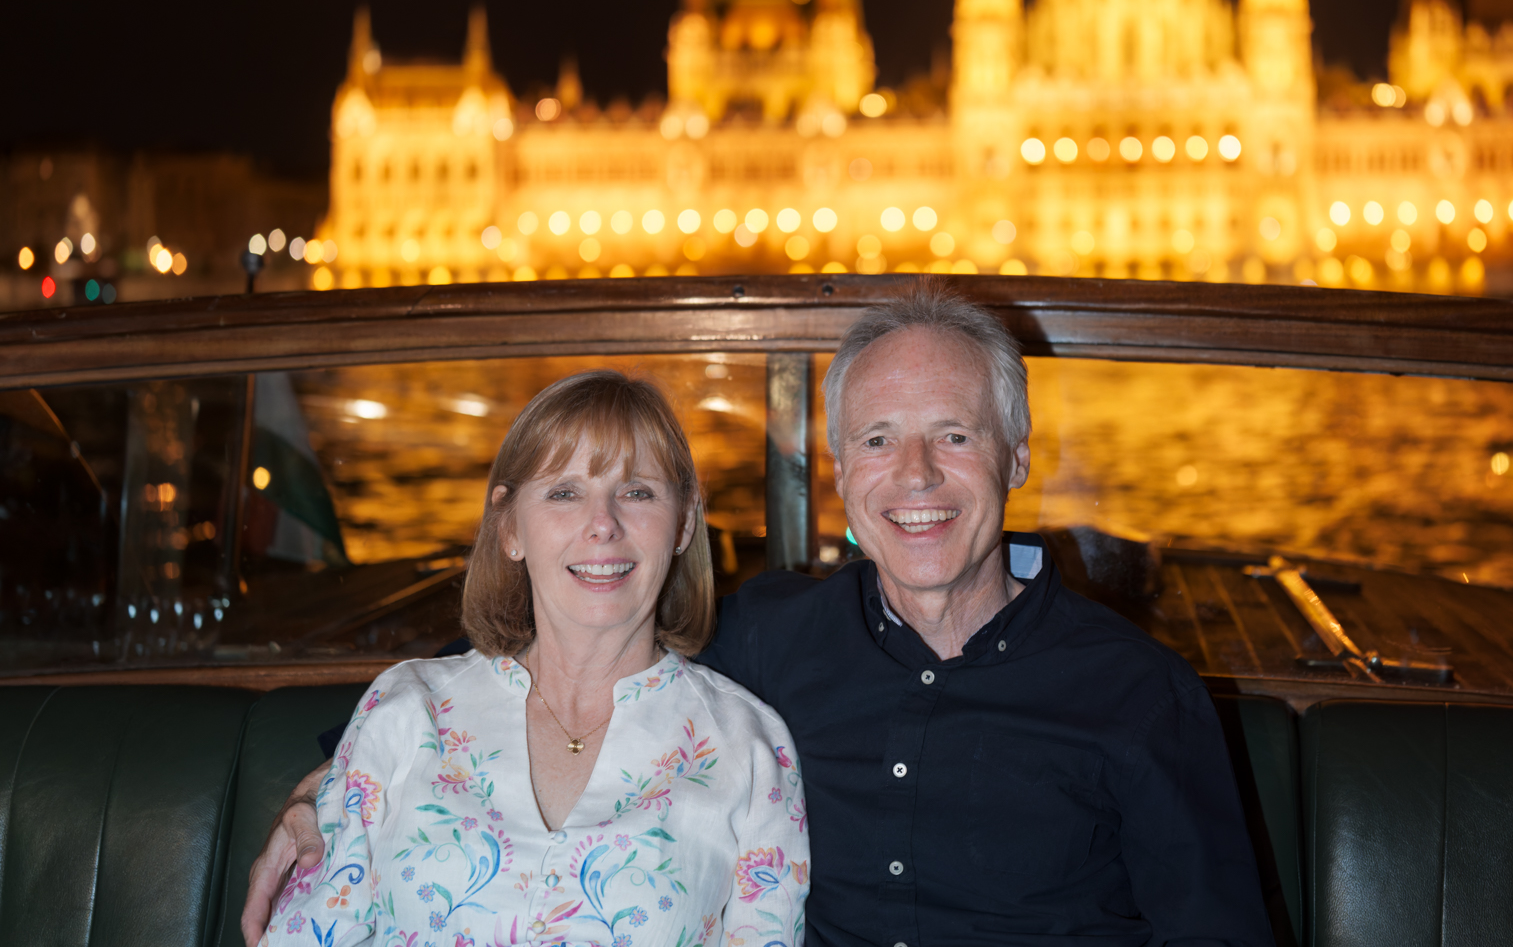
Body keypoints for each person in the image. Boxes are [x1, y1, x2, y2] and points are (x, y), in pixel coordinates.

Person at [247, 284, 1271, 947]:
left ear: (1016, 454)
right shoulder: (774, 639)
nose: (914, 475)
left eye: (954, 435)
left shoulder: (1140, 694)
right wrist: (330, 785)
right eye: (877, 440)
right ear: (838, 475)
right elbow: (573, 622)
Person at [255, 371, 808, 947]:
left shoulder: (749, 750)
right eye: (565, 492)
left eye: (637, 491)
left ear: (685, 522)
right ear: (509, 526)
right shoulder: (406, 710)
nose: (603, 525)